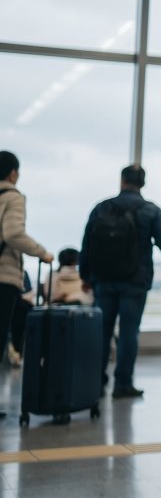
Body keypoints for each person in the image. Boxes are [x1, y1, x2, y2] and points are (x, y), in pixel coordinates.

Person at [80, 165, 161, 399]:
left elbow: (87, 243)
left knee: (102, 331)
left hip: (104, 280)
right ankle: (123, 384)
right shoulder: (149, 210)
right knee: (129, 332)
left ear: (122, 181)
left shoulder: (102, 207)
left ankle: (95, 382)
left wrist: (85, 276)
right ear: (143, 183)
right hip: (134, 281)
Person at [0, 151, 54, 416]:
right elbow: (13, 233)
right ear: (13, 173)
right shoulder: (13, 197)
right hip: (3, 276)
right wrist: (41, 251)